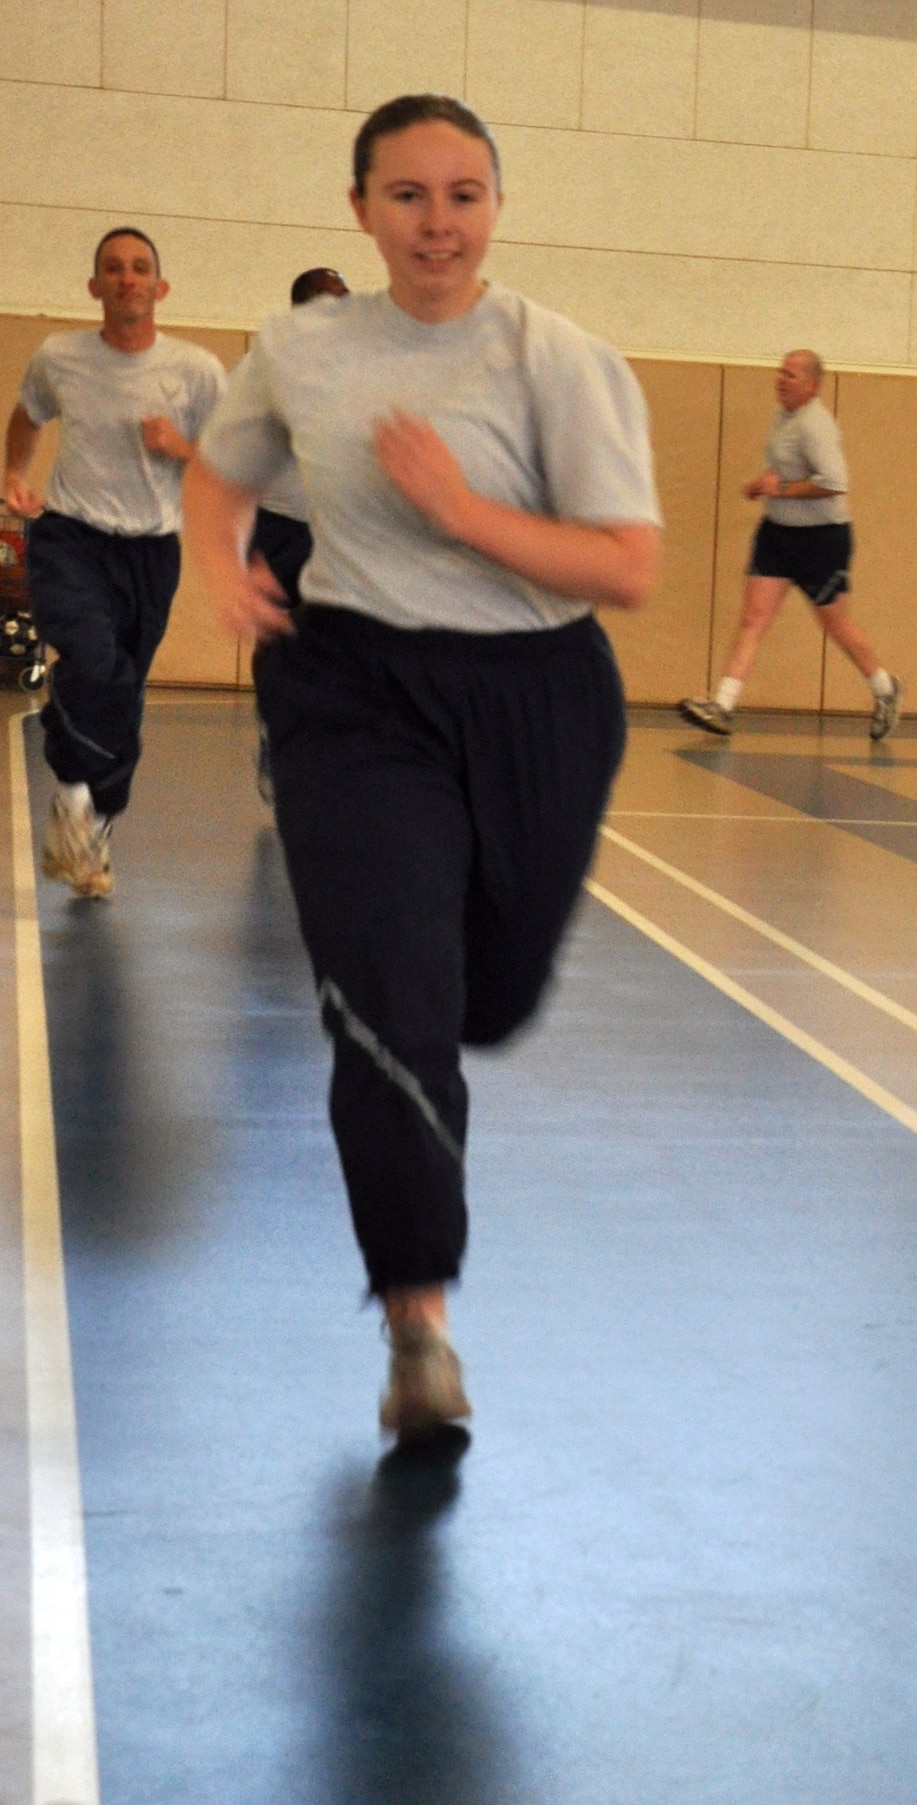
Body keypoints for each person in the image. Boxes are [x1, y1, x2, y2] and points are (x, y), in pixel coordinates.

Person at [184, 94, 660, 1439]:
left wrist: (463, 512)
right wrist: (218, 567)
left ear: (497, 207)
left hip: (535, 696)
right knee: (389, 1002)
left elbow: (626, 566)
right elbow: (221, 476)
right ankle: (418, 1328)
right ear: (361, 211)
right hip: (352, 691)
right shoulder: (301, 346)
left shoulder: (559, 361)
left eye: (462, 194)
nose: (436, 222)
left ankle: (441, 1033)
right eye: (407, 195)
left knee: (482, 1001)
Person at [3, 227, 227, 897]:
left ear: (160, 288)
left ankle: (97, 826)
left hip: (151, 552)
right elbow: (27, 415)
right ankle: (71, 796)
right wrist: (15, 472)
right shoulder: (59, 356)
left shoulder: (195, 372)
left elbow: (237, 457)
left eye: (139, 268)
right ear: (94, 286)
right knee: (94, 663)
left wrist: (180, 445)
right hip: (71, 537)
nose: (127, 278)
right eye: (113, 268)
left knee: (122, 695)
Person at [678, 349, 902, 740]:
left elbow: (834, 481)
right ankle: (723, 706)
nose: (781, 379)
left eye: (791, 375)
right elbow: (783, 471)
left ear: (811, 385)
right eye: (780, 372)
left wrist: (780, 489)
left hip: (821, 541)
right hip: (777, 535)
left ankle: (885, 689)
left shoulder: (816, 425)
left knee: (836, 625)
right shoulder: (782, 417)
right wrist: (762, 486)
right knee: (753, 618)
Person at [249, 266, 351, 801]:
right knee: (276, 635)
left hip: (336, 527)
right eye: (325, 303)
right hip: (274, 522)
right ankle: (271, 731)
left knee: (336, 641)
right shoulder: (265, 367)